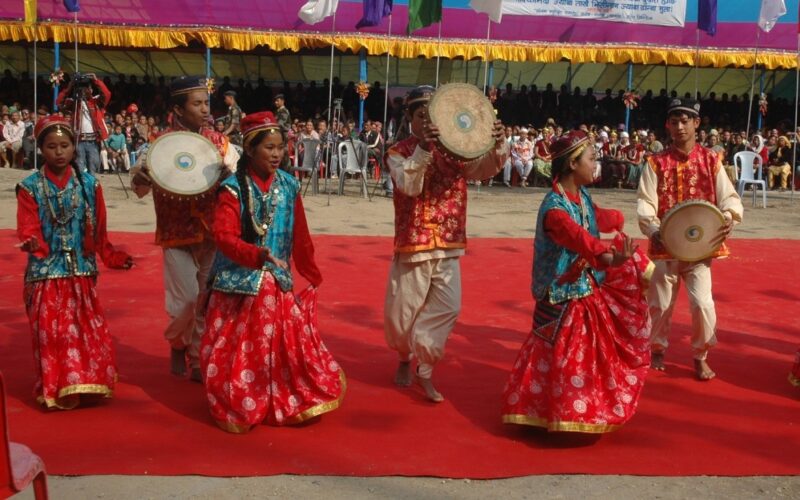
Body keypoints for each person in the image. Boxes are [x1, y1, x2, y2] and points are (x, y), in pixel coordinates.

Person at [201, 112, 345, 433]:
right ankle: (245, 395)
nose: (278, 153)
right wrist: (258, 255)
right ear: (250, 150)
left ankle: (273, 394)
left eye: (281, 147)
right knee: (262, 298)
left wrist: (310, 272)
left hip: (276, 280)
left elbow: (301, 236)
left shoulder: (289, 185)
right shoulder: (231, 190)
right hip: (237, 280)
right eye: (269, 147)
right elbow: (223, 238)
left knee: (274, 306)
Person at [501, 130, 652, 433]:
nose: (597, 164)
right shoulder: (555, 211)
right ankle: (563, 410)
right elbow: (583, 240)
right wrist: (612, 258)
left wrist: (623, 218)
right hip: (560, 294)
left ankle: (576, 408)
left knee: (586, 351)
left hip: (582, 284)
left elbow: (597, 218)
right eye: (592, 159)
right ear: (572, 163)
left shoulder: (579, 196)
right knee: (564, 353)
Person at [383, 85, 509, 402]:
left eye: (433, 113)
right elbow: (409, 186)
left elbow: (484, 170)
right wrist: (423, 150)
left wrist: (495, 142)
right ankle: (403, 357)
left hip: (449, 243)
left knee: (448, 309)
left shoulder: (457, 149)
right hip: (414, 244)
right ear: (410, 119)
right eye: (421, 115)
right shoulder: (397, 152)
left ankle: (425, 369)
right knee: (402, 317)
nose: (428, 120)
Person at [16, 116, 133, 409]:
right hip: (46, 272)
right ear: (40, 148)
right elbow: (28, 225)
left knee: (84, 329)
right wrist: (32, 241)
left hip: (80, 270)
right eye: (52, 146)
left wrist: (112, 257)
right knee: (51, 332)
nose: (59, 152)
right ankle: (58, 387)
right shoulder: (30, 186)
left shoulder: (89, 184)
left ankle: (87, 382)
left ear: (74, 147)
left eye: (65, 145)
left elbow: (100, 231)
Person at [130, 76, 239, 382]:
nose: (205, 109)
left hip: (212, 232)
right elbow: (138, 185)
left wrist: (230, 175)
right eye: (197, 103)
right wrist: (144, 177)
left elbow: (237, 182)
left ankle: (197, 359)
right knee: (187, 301)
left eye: (206, 102)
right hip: (176, 233)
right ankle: (178, 342)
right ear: (178, 109)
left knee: (205, 300)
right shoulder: (159, 143)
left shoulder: (221, 143)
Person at [637, 98, 743, 381]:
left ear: (697, 123)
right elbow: (646, 202)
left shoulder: (712, 160)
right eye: (674, 122)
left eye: (686, 121)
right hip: (665, 246)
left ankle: (700, 355)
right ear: (667, 126)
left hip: (700, 248)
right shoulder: (655, 162)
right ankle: (657, 349)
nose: (680, 127)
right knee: (659, 304)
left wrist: (730, 216)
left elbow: (729, 197)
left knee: (703, 305)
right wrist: (653, 229)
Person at [56, 73, 111, 174]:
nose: (84, 91)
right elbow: (59, 102)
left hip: (93, 141)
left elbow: (107, 94)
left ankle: (91, 188)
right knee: (79, 168)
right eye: (83, 88)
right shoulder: (75, 103)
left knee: (93, 168)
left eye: (87, 88)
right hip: (79, 140)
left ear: (91, 90)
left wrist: (96, 80)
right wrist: (70, 86)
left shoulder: (96, 102)